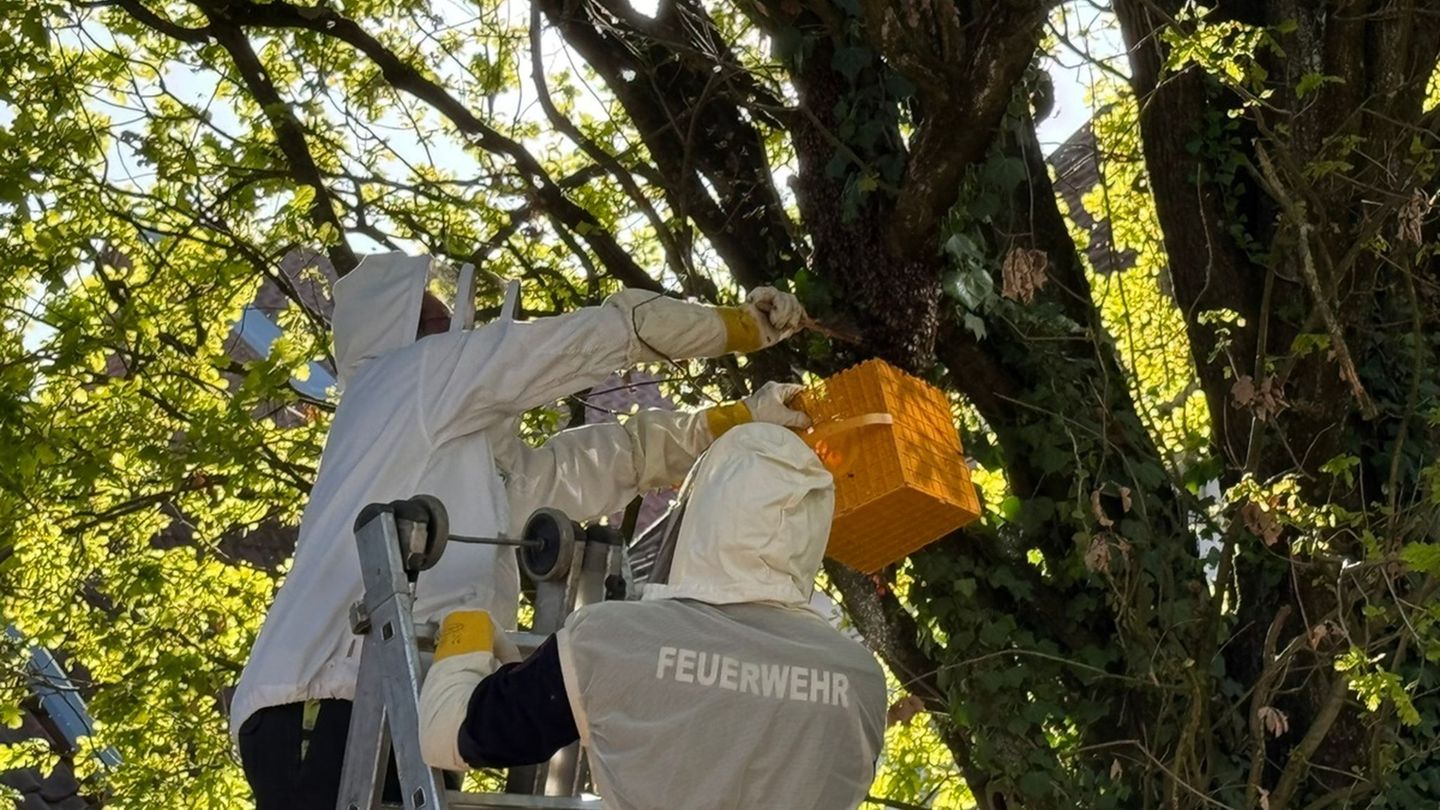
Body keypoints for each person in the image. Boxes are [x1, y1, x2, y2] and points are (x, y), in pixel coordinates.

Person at [230, 253, 813, 809]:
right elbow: (571, 346)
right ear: (397, 332)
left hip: (414, 700)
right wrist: (732, 328)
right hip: (327, 693)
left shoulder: (472, 459)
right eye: (437, 321)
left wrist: (737, 421)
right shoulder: (400, 381)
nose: (463, 332)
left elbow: (613, 461)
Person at [418, 423, 888, 810]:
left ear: (702, 510)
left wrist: (468, 627)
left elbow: (446, 736)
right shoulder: (861, 679)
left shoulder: (616, 640)